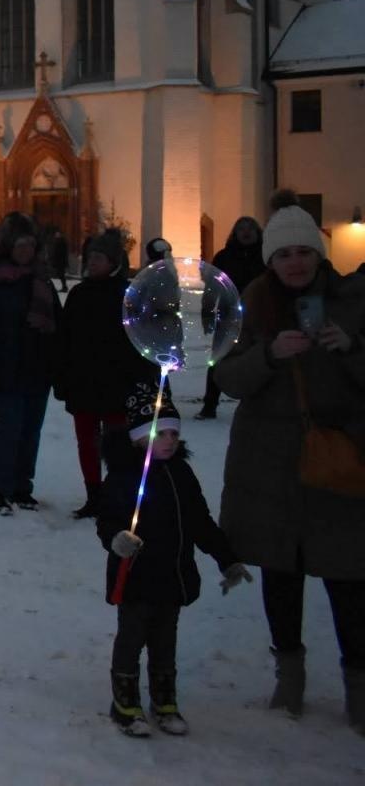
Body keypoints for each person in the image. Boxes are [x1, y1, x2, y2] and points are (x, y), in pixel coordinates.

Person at [213, 194, 365, 733]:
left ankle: (358, 684)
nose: (295, 263)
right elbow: (226, 376)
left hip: (336, 461)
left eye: (304, 252)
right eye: (285, 255)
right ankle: (290, 674)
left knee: (349, 578)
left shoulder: (352, 301)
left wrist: (349, 347)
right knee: (282, 572)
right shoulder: (249, 305)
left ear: (320, 256)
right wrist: (269, 354)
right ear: (271, 261)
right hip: (269, 466)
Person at [97, 389, 251, 736]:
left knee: (165, 642)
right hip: (135, 577)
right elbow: (106, 520)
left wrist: (227, 560)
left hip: (173, 576)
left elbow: (200, 522)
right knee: (132, 638)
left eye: (173, 434)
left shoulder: (181, 474)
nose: (168, 441)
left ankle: (165, 701)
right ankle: (125, 703)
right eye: (159, 433)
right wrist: (117, 539)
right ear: (138, 438)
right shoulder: (123, 476)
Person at [54, 228, 155, 519]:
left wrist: (140, 378)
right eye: (91, 257)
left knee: (117, 442)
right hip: (84, 382)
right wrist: (62, 378)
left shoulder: (128, 295)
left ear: (114, 262)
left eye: (99, 257)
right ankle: (93, 493)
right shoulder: (79, 293)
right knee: (86, 441)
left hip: (117, 384)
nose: (93, 262)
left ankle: (118, 493)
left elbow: (141, 340)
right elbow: (66, 338)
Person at [0, 212, 62, 515]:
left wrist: (57, 364)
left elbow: (57, 326)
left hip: (38, 369)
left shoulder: (42, 282)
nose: (26, 251)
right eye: (20, 245)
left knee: (31, 430)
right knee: (9, 428)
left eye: (31, 245)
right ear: (8, 247)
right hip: (5, 368)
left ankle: (22, 485)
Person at [197, 216, 265, 420]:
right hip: (227, 315)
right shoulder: (224, 257)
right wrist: (207, 313)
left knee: (258, 360)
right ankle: (210, 405)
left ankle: (257, 404)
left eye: (250, 228)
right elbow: (212, 288)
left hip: (257, 315)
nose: (246, 232)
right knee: (218, 360)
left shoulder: (264, 257)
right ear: (235, 233)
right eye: (241, 228)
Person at [49, 227, 70, 292]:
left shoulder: (61, 241)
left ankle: (64, 287)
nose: (56, 235)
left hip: (61, 261)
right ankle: (64, 286)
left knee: (61, 274)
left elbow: (62, 252)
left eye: (57, 234)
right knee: (60, 274)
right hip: (59, 260)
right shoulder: (58, 241)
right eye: (56, 234)